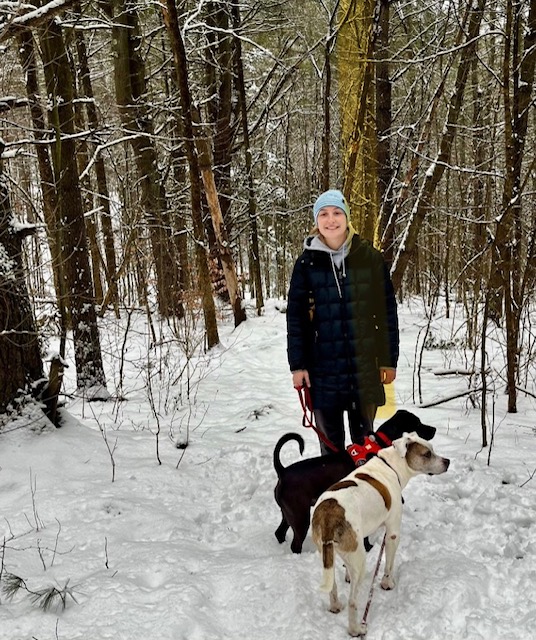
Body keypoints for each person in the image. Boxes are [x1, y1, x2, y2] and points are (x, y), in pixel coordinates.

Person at [287, 189, 399, 455]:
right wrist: (298, 366)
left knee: (367, 446)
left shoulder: (369, 258)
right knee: (332, 448)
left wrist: (388, 359)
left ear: (347, 217)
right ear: (317, 221)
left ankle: (368, 494)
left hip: (364, 367)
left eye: (337, 213)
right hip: (322, 371)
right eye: (323, 214)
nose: (331, 220)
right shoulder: (306, 264)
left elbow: (386, 314)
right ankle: (335, 495)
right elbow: (296, 319)